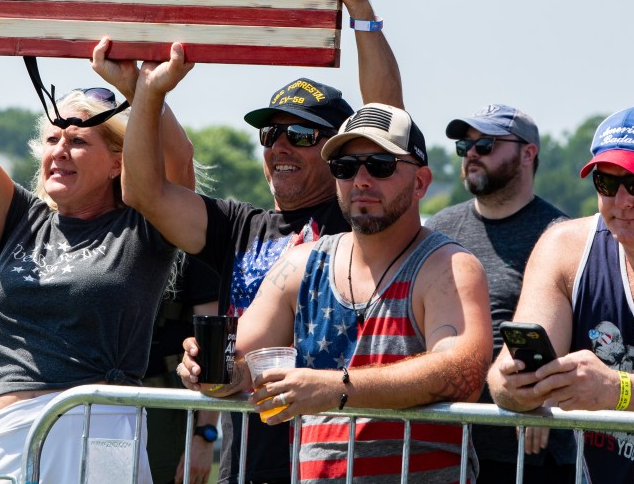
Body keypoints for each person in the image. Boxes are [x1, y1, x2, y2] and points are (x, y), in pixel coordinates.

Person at [119, 0, 404, 484]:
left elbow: (385, 118)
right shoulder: (237, 224)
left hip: (338, 451)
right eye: (270, 134)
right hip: (250, 455)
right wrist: (147, 94)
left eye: (299, 134)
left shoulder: (357, 215)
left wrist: (362, 13)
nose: (279, 146)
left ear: (337, 151)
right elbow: (144, 194)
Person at [0, 0, 205, 484]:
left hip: (97, 433)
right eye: (54, 139)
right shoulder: (21, 218)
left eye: (79, 140)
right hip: (2, 439)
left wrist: (142, 91)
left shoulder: (143, 229)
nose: (60, 150)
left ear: (118, 162)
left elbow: (177, 158)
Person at [185, 103, 492, 483]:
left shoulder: (447, 266)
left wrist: (337, 388)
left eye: (380, 165)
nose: (361, 180)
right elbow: (240, 364)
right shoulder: (301, 264)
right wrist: (205, 368)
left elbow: (462, 371)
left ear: (420, 183)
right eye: (345, 167)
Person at [489, 104, 634, 483]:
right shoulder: (565, 248)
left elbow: (613, 389)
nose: (622, 201)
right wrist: (516, 388)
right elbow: (503, 378)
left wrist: (619, 390)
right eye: (606, 183)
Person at [427, 104, 574, 482]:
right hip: (445, 443)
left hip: (527, 452)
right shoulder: (439, 230)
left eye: (486, 144)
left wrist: (547, 398)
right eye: (465, 146)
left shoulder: (562, 236)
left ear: (528, 153)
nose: (472, 153)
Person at [141, 256, 220, 484]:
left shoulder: (191, 248)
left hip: (169, 411)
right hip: (104, 406)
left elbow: (213, 348)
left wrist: (204, 436)